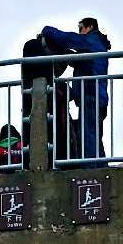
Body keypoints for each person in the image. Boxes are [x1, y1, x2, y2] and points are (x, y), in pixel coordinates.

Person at [40, 17, 110, 161]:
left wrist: (47, 30)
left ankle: (91, 168)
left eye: (81, 28)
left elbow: (67, 39)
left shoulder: (92, 40)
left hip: (91, 94)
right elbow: (77, 60)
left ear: (90, 27)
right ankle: (100, 166)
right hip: (98, 96)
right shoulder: (96, 47)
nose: (80, 32)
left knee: (88, 135)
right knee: (95, 136)